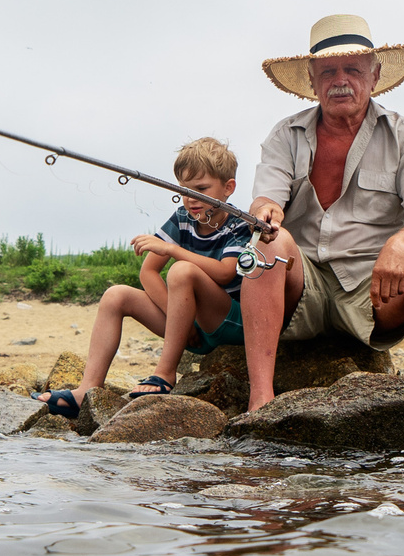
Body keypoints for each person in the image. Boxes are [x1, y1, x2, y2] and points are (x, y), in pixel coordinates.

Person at [239, 14, 404, 409]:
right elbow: (264, 201)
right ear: (312, 79)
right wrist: (267, 211)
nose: (340, 80)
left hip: (372, 290)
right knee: (267, 243)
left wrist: (400, 243)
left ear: (374, 77)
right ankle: (260, 400)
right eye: (328, 71)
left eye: (352, 69)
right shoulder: (284, 134)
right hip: (302, 286)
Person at [35, 137, 254, 416]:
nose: (191, 198)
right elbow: (148, 272)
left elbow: (225, 273)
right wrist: (180, 320)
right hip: (192, 329)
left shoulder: (239, 224)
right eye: (183, 190)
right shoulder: (182, 218)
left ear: (228, 188)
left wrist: (173, 250)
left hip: (228, 321)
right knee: (116, 295)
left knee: (182, 270)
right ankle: (86, 390)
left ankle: (165, 373)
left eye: (201, 189)